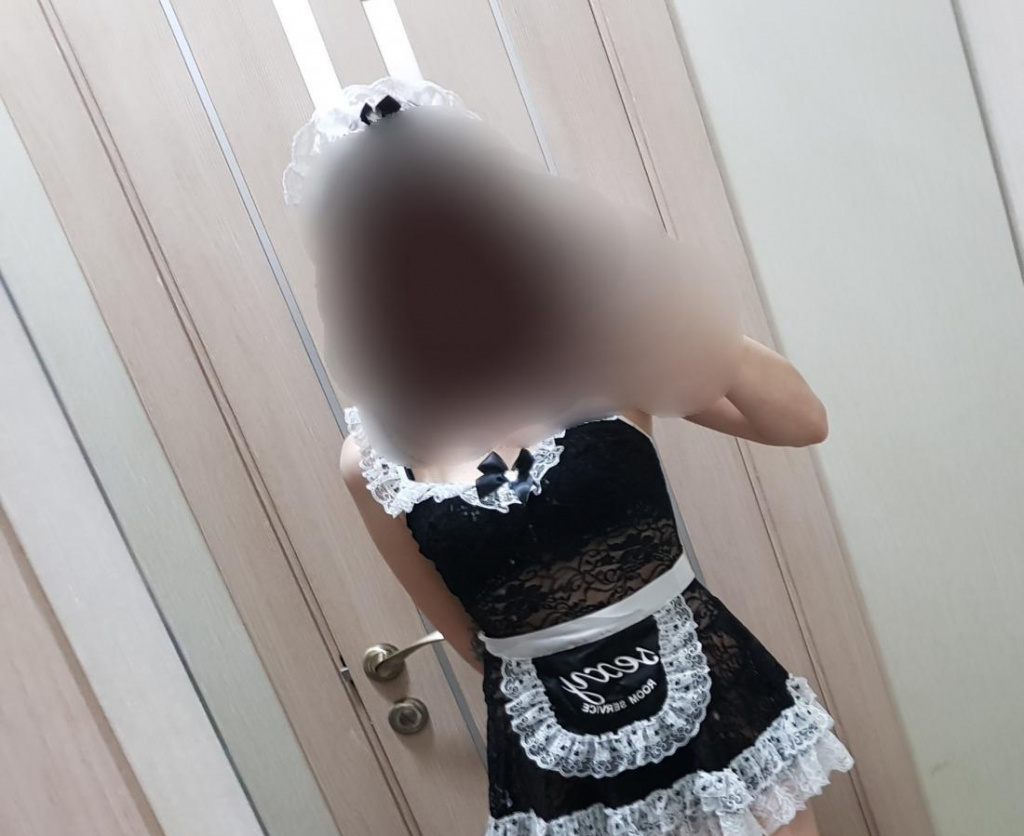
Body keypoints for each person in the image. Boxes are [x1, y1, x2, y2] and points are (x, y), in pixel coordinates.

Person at [285, 77, 854, 836]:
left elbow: (799, 421)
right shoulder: (371, 458)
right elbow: (472, 639)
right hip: (554, 763)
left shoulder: (601, 350)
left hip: (721, 711)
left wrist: (648, 288)